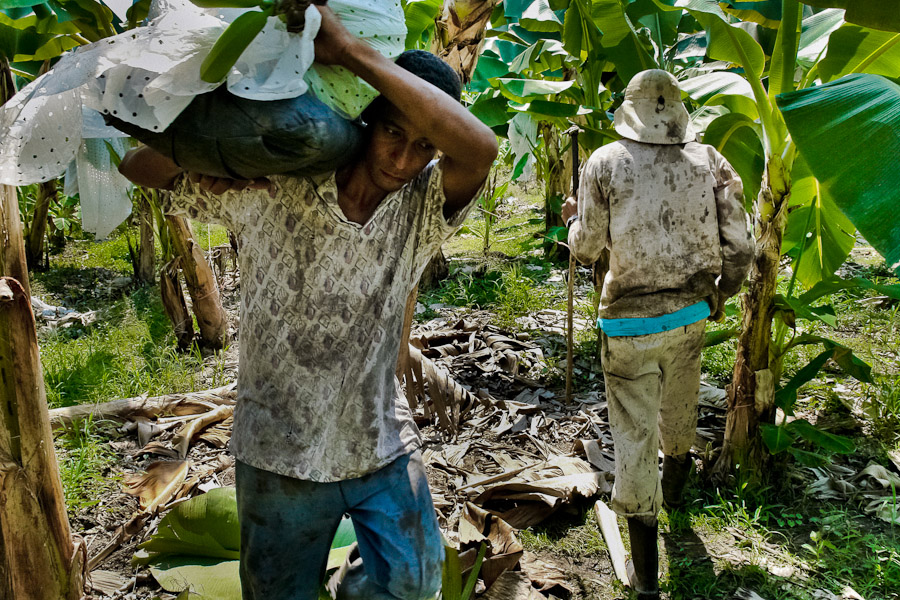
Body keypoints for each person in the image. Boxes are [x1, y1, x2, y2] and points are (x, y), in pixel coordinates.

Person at [118, 5, 497, 599]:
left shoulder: (425, 204)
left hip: (377, 441)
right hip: (278, 449)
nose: (402, 159)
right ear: (365, 119)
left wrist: (348, 51)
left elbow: (479, 147)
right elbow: (136, 163)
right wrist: (224, 158)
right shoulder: (280, 178)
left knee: (415, 581)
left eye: (424, 145)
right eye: (392, 131)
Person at [562, 69, 753, 600]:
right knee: (679, 413)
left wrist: (572, 221)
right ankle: (678, 499)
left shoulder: (604, 162)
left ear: (630, 111)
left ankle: (646, 579)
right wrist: (722, 293)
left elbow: (587, 247)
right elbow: (739, 246)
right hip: (690, 315)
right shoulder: (709, 160)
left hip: (627, 324)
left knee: (634, 436)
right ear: (677, 114)